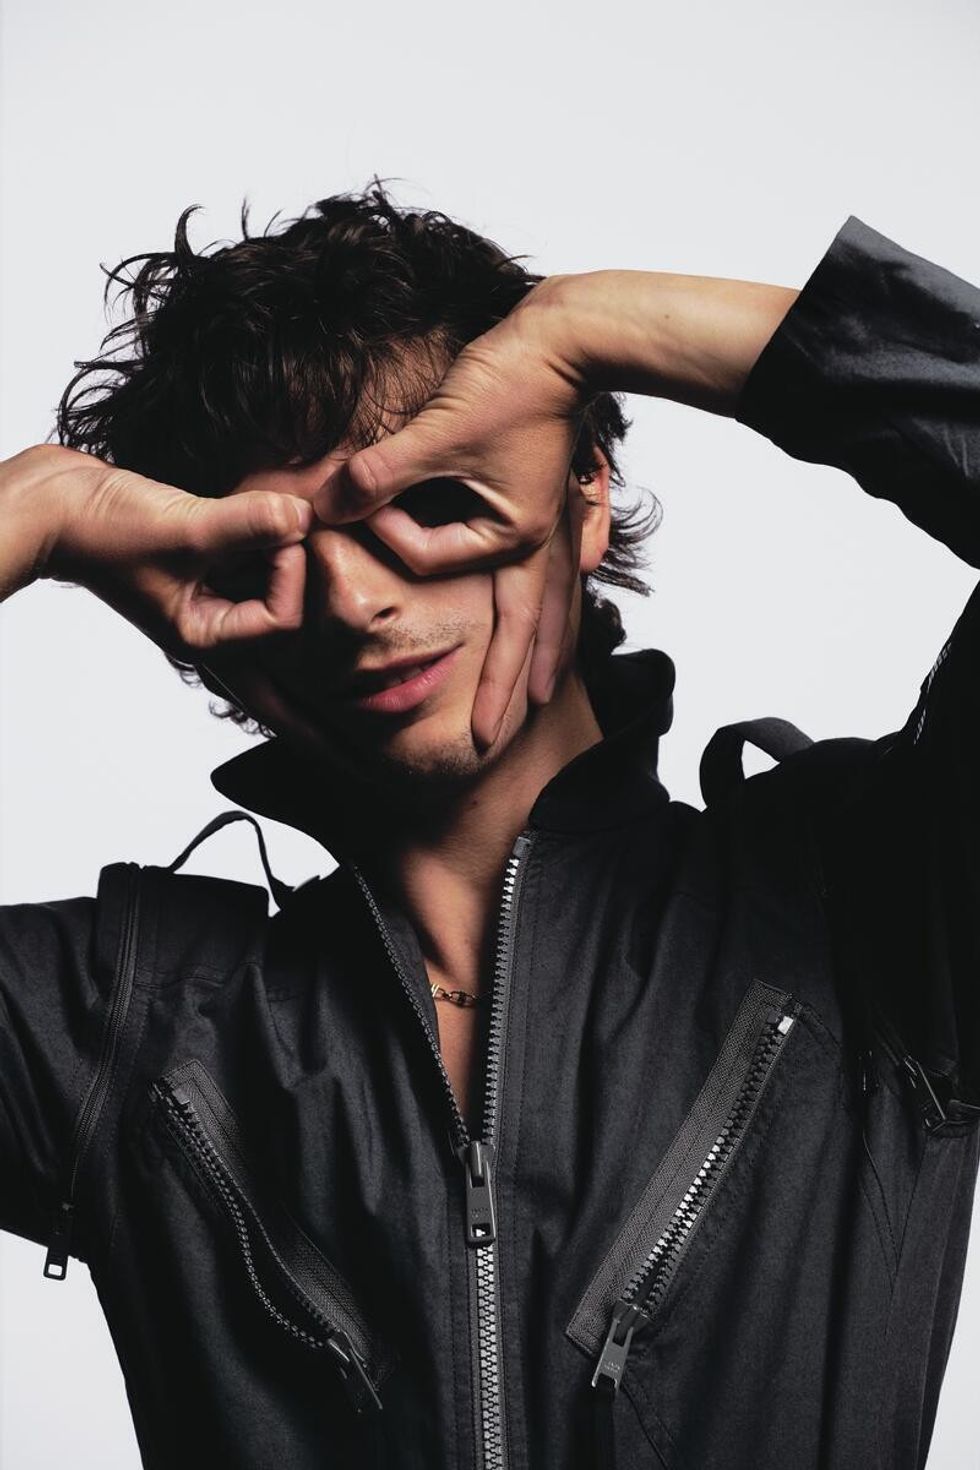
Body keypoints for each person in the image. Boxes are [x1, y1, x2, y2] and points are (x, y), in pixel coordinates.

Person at [1, 183, 978, 1470]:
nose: (352, 603)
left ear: (583, 494)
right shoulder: (119, 1022)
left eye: (429, 501)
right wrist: (30, 515)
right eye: (257, 554)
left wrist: (595, 328)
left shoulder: (872, 900)